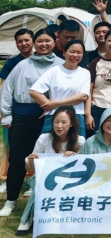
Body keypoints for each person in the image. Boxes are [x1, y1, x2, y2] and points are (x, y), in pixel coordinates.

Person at [0, 29, 60, 218]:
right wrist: (6, 113)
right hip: (23, 115)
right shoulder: (22, 64)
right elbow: (7, 89)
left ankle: (45, 197)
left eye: (47, 40)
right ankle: (11, 200)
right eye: (40, 41)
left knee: (48, 157)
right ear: (35, 43)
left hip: (52, 117)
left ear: (55, 42)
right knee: (18, 158)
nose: (44, 44)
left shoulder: (61, 64)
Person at [13, 106, 84, 233]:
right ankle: (26, 219)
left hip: (69, 180)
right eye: (56, 122)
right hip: (41, 177)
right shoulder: (44, 138)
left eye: (64, 122)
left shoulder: (80, 141)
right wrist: (30, 161)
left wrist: (76, 157)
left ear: (72, 123)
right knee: (39, 185)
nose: (59, 126)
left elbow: (84, 167)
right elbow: (29, 168)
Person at [29, 39, 90, 137]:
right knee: (47, 144)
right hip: (54, 116)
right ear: (64, 53)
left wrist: (56, 103)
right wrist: (49, 105)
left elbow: (82, 97)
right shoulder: (54, 71)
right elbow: (33, 91)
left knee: (77, 145)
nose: (75, 55)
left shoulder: (85, 73)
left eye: (79, 52)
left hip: (76, 116)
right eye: (72, 51)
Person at [0, 29, 34, 191]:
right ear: (16, 43)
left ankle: (30, 178)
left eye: (27, 40)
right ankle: (7, 178)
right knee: (11, 147)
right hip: (14, 111)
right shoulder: (11, 63)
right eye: (20, 41)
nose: (24, 44)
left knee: (34, 146)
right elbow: (3, 86)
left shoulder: (40, 59)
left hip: (36, 111)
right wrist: (3, 110)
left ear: (33, 41)